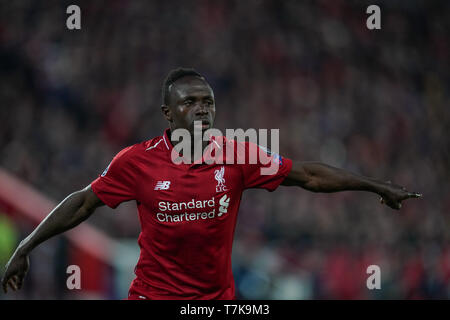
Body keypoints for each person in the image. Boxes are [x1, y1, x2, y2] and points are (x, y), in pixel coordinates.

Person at [1, 68, 421, 299]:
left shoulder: (238, 154)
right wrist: (26, 246)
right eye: (190, 102)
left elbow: (307, 175)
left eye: (208, 102)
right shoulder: (135, 162)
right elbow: (82, 203)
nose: (201, 110)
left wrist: (375, 185)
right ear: (168, 113)